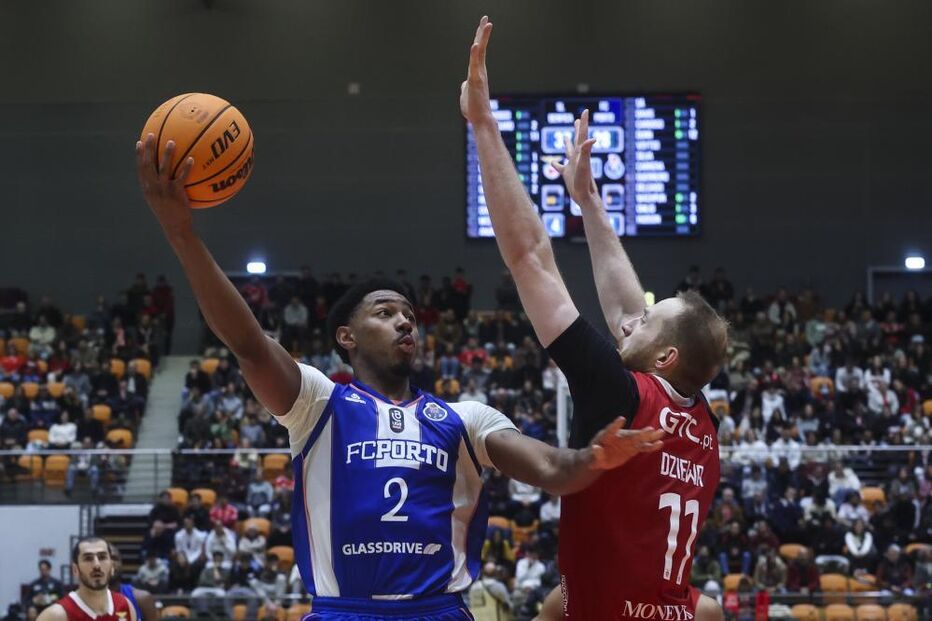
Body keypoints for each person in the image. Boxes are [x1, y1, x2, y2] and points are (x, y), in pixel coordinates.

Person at [135, 131, 662, 619]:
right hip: (345, 609)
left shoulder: (465, 419)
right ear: (347, 336)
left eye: (408, 313)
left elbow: (551, 468)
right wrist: (181, 234)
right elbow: (249, 345)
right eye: (385, 312)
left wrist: (594, 458)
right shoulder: (320, 404)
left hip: (438, 608)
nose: (404, 319)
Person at [461, 16, 725, 620]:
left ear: (664, 358)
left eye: (651, 322)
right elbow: (633, 311)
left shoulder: (618, 391)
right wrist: (589, 203)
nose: (632, 320)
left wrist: (483, 126)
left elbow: (530, 258)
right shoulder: (701, 419)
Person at [36, 537, 136, 621]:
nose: (96, 565)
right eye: (88, 558)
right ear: (75, 569)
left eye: (102, 557)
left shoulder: (126, 605)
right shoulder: (55, 615)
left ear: (112, 567)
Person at [109, 545, 157, 621]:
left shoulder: (142, 599)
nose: (111, 563)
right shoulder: (85, 601)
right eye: (104, 558)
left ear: (122, 564)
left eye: (114, 558)